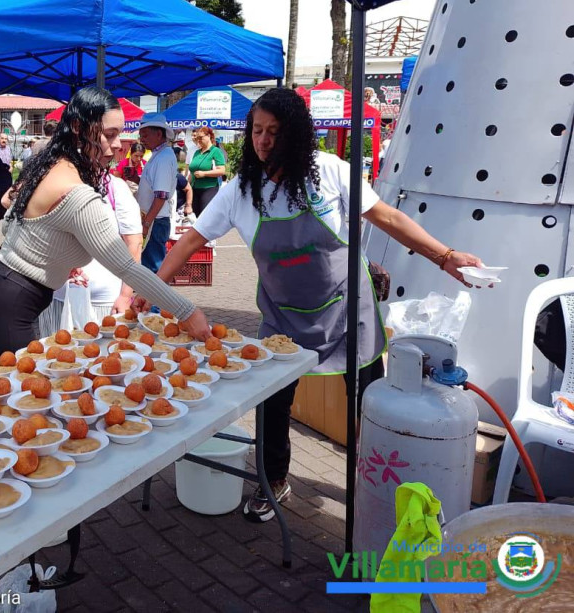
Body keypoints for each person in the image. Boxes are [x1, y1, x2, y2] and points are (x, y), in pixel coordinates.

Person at [146, 88, 487, 522]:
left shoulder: (329, 171)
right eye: (257, 131)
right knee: (272, 403)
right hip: (283, 315)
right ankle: (274, 480)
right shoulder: (240, 191)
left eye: (274, 131)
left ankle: (376, 486)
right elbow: (190, 241)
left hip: (347, 311)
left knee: (367, 403)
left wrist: (444, 256)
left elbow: (388, 217)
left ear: (295, 134)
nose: (263, 141)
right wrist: (152, 289)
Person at [0, 86, 211, 366]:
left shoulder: (51, 164)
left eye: (120, 134)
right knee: (29, 389)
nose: (118, 145)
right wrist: (187, 312)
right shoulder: (78, 195)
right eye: (109, 134)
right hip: (6, 306)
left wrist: (53, 249)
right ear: (79, 129)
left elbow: (8, 202)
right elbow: (127, 267)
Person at [38, 170, 143, 335]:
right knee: (55, 350)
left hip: (104, 302)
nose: (115, 145)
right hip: (58, 298)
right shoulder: (54, 182)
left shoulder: (116, 188)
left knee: (102, 351)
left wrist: (125, 295)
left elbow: (135, 244)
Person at [136, 113, 178, 272]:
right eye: (141, 136)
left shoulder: (163, 157)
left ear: (159, 134)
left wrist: (146, 223)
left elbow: (161, 195)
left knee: (153, 269)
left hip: (155, 221)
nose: (142, 139)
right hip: (154, 219)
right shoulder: (159, 155)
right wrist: (136, 179)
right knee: (150, 267)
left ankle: (156, 290)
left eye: (145, 135)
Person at [186, 126, 227, 216]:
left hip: (209, 188)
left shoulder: (216, 151)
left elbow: (222, 171)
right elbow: (192, 172)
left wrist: (204, 174)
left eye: (201, 138)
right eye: (197, 138)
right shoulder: (197, 152)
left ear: (208, 136)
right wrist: (187, 186)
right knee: (195, 216)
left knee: (205, 215)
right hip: (194, 189)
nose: (198, 140)